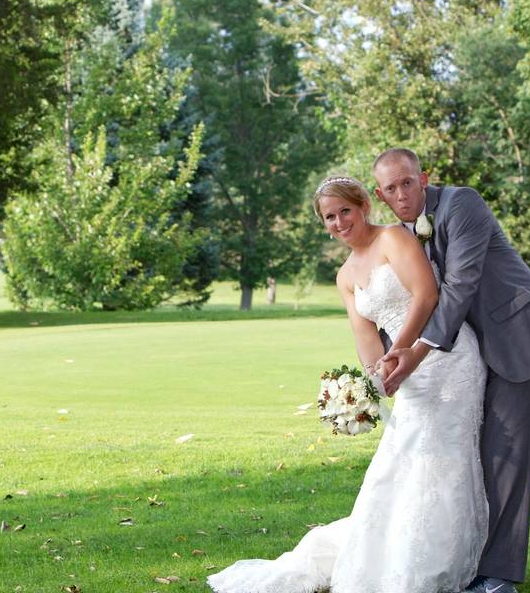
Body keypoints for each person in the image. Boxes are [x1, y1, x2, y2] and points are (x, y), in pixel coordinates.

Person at [207, 175, 490, 593]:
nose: (339, 222)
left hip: (445, 358)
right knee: (403, 462)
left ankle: (438, 561)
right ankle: (390, 553)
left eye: (345, 211)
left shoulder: (394, 239)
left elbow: (427, 295)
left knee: (443, 458)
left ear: (363, 207)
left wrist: (405, 352)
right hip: (403, 369)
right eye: (329, 217)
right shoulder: (344, 276)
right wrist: (374, 380)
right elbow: (365, 336)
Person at [373, 148, 530, 593]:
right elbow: (410, 300)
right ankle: (471, 564)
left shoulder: (462, 202)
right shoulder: (397, 237)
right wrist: (386, 361)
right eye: (391, 189)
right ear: (381, 196)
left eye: (407, 182)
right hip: (468, 357)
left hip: (519, 338)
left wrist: (415, 355)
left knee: (509, 461)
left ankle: (499, 578)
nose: (402, 194)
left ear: (424, 177)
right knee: (475, 460)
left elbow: (460, 284)